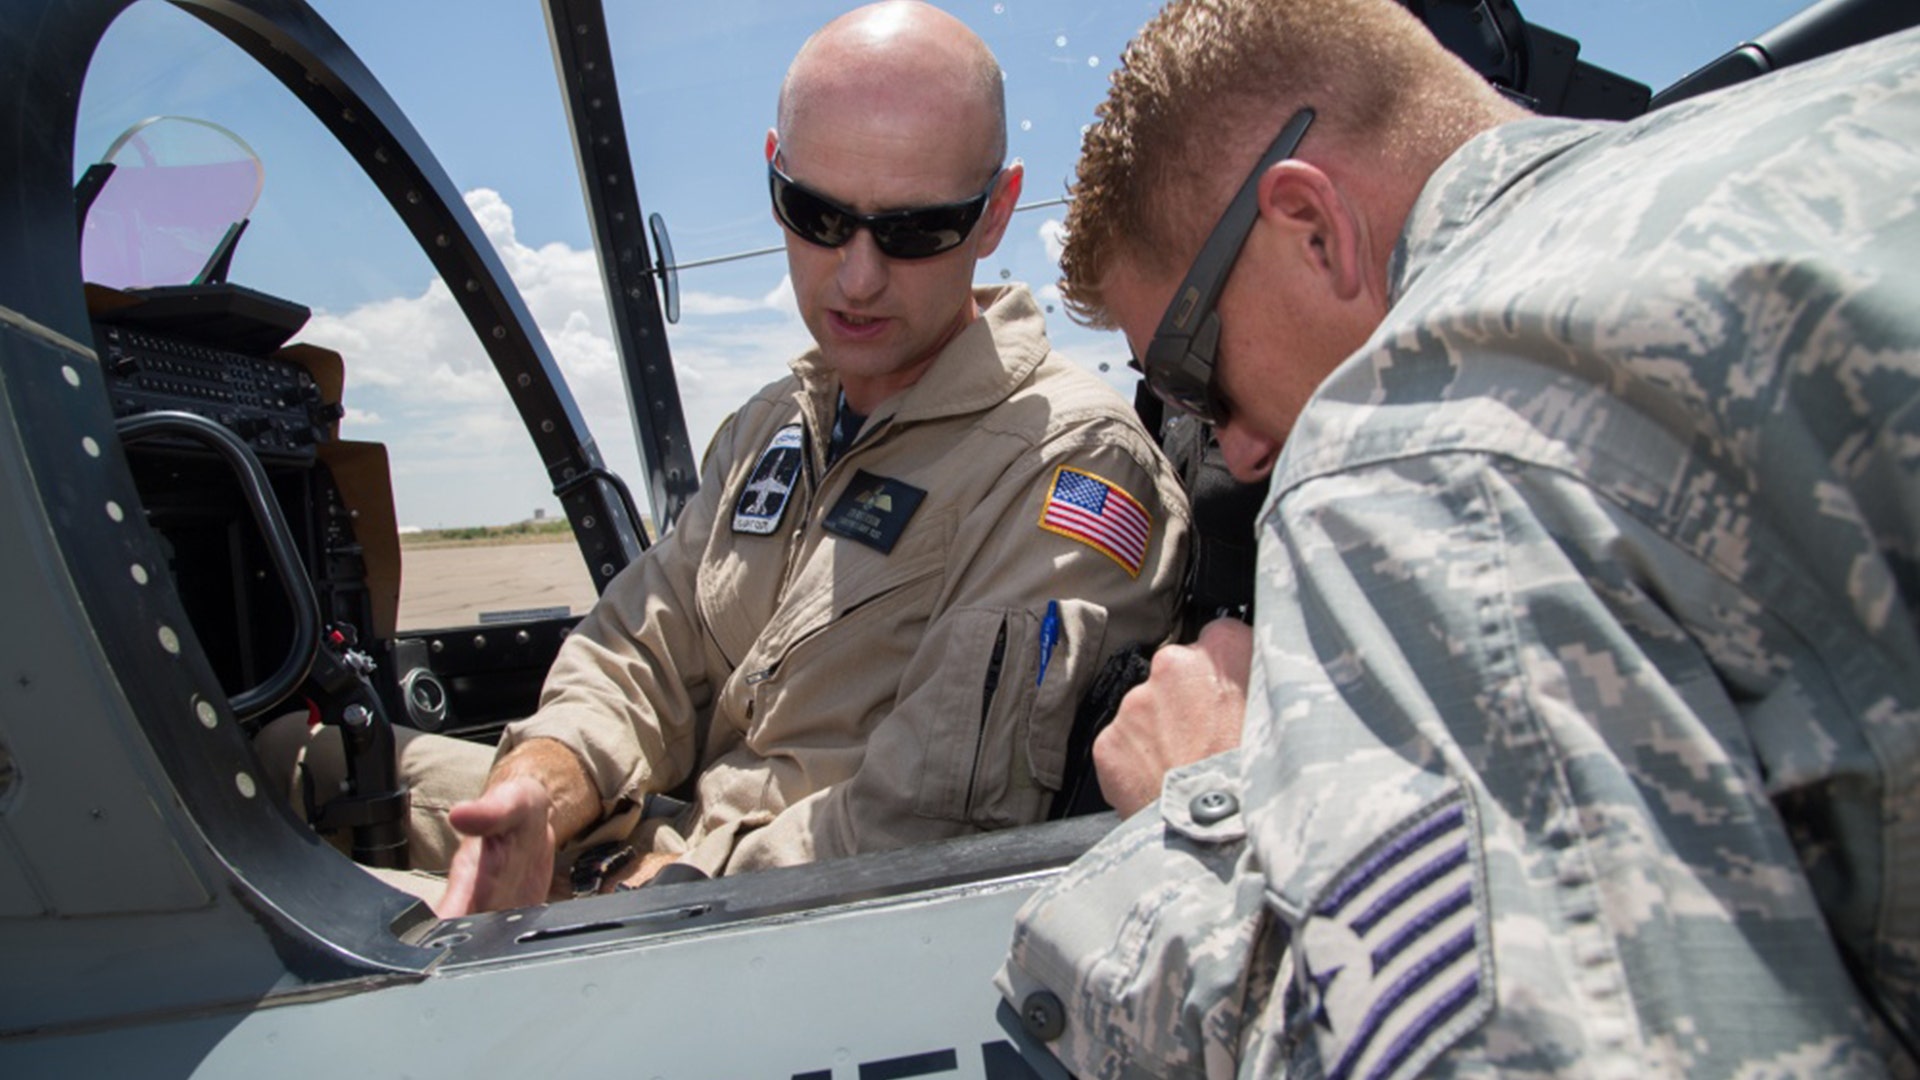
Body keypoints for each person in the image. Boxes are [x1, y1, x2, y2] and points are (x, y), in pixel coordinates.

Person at [994, 0, 1920, 1075]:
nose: (1236, 451)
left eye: (1195, 379)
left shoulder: (1419, 431)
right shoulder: (1863, 112)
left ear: (1313, 227)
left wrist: (1212, 807)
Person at [262, 0, 1190, 917]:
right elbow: (645, 649)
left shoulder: (1067, 464)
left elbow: (926, 836)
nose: (857, 276)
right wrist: (546, 789)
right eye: (816, 215)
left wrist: (649, 896)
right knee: (289, 767)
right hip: (661, 861)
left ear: (996, 215)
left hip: (775, 930)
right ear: (773, 178)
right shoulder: (773, 426)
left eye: (913, 232)